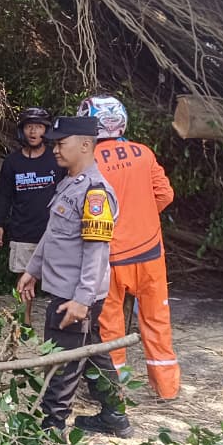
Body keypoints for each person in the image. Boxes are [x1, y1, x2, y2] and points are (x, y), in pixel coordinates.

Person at [17, 115, 129, 437]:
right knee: (92, 353)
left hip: (73, 298)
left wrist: (80, 301)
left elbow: (97, 253)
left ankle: (52, 432)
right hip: (71, 292)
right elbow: (54, 236)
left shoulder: (95, 194)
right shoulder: (69, 184)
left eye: (60, 143)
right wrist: (33, 270)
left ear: (84, 144)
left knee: (61, 364)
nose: (54, 149)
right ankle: (115, 416)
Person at [79, 94, 179, 400]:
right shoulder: (144, 153)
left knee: (110, 326)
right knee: (157, 320)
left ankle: (114, 390)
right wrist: (143, 215)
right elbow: (165, 195)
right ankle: (166, 390)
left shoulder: (90, 160)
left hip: (110, 257)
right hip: (150, 254)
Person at [0, 106, 64, 324]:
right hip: (22, 229)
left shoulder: (56, 160)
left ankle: (60, 322)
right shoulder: (13, 162)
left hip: (52, 230)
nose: (34, 132)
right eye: (29, 127)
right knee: (23, 278)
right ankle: (25, 322)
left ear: (46, 130)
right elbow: (4, 195)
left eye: (39, 127)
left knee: (58, 278)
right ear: (22, 131)